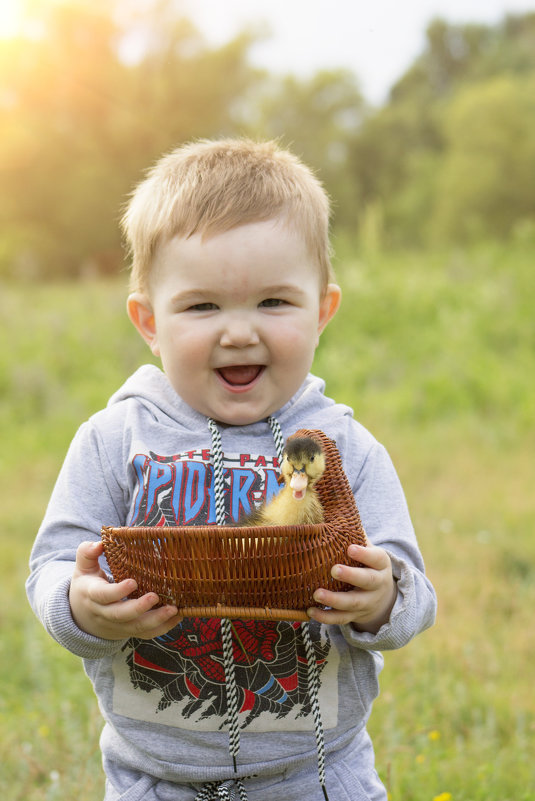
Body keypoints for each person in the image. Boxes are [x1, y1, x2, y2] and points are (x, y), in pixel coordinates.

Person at [27, 139, 436, 801]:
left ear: (322, 310)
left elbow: (411, 590)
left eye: (273, 302)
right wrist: (80, 605)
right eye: (202, 306)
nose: (239, 332)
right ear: (149, 321)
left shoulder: (343, 445)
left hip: (317, 775)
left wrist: (381, 596)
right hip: (156, 779)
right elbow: (48, 566)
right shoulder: (115, 438)